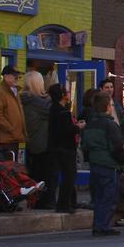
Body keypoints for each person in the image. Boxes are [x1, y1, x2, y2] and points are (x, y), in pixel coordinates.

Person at [81, 93, 124, 236]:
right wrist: (122, 161)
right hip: (109, 164)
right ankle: (104, 226)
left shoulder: (90, 124)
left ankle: (98, 224)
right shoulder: (110, 125)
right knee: (109, 197)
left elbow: (85, 146)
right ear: (108, 107)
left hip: (95, 163)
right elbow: (117, 147)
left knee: (99, 196)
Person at [46, 84, 83, 213]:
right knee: (68, 177)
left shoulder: (57, 109)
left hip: (59, 147)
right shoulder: (61, 111)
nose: (68, 93)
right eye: (66, 92)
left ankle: (70, 202)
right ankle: (64, 204)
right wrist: (78, 127)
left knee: (68, 176)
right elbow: (65, 131)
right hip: (64, 148)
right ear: (62, 96)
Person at [20, 71, 52, 208]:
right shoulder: (39, 103)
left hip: (30, 141)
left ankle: (33, 200)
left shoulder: (22, 100)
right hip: (43, 143)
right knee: (44, 175)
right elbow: (55, 112)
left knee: (34, 173)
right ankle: (42, 201)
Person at [0, 65, 27, 161]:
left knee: (15, 170)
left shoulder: (14, 92)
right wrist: (12, 129)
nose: (17, 79)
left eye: (18, 77)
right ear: (6, 76)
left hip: (14, 139)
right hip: (5, 141)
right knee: (8, 171)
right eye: (15, 76)